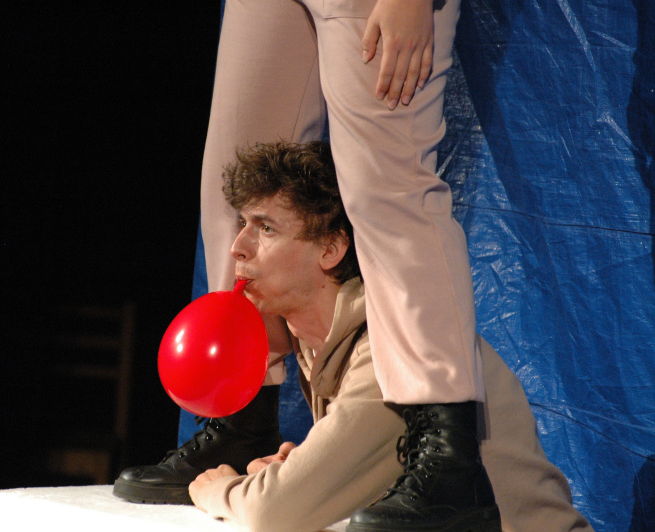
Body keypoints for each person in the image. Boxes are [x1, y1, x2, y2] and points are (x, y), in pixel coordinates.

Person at [130, 142, 594, 532]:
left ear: (331, 248)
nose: (238, 248)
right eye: (242, 224)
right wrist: (312, 470)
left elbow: (274, 513)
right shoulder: (320, 344)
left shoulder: (390, 345)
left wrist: (222, 489)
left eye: (266, 228)